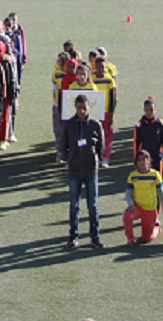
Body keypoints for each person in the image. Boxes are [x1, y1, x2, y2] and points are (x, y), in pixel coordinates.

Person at [61, 94, 104, 250]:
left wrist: (96, 160)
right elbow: (62, 145)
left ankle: (95, 236)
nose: (82, 111)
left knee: (93, 205)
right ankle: (73, 237)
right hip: (74, 171)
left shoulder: (95, 125)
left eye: (84, 108)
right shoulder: (68, 125)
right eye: (79, 108)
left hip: (90, 170)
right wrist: (68, 158)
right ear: (75, 108)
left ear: (89, 107)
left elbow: (101, 145)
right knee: (74, 205)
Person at [122, 150, 163, 247]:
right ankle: (130, 239)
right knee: (127, 216)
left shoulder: (155, 175)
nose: (142, 162)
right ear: (136, 163)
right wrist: (131, 204)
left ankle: (156, 228)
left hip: (150, 209)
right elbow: (128, 194)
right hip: (137, 207)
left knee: (147, 238)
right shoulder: (133, 176)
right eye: (139, 160)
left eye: (144, 159)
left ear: (149, 161)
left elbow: (162, 193)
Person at [132, 96, 163, 175]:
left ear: (155, 109)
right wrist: (136, 160)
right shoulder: (139, 124)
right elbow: (136, 143)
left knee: (158, 180)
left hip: (157, 156)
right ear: (144, 110)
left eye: (151, 110)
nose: (149, 113)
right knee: (144, 180)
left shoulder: (160, 123)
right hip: (144, 158)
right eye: (147, 110)